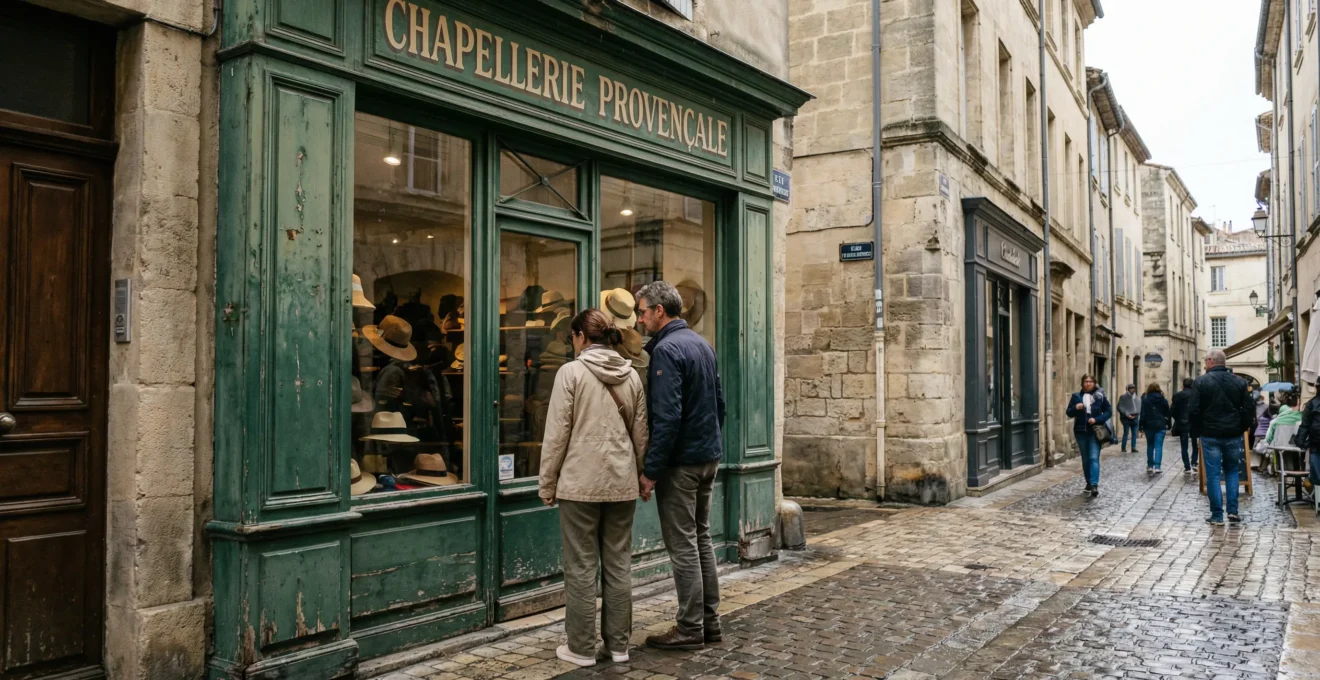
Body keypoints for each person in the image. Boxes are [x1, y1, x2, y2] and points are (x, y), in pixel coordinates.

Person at [538, 309, 649, 668]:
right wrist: (644, 476)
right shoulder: (631, 376)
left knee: (581, 566)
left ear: (581, 337)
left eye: (573, 337)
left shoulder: (570, 373)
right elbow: (641, 434)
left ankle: (582, 648)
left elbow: (557, 434)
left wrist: (547, 482)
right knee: (619, 563)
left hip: (579, 484)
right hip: (621, 482)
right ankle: (618, 646)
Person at [635, 281, 726, 650]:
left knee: (685, 545)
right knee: (701, 538)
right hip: (707, 456)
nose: (639, 318)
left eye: (642, 311)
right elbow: (719, 404)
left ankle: (690, 628)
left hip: (682, 463)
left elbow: (667, 417)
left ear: (660, 311)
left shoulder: (668, 351)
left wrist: (651, 470)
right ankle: (709, 622)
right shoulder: (701, 343)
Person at [1188, 349, 1256, 526]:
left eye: (1205, 361)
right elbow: (1249, 409)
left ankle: (1217, 515)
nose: (1204, 364)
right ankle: (1232, 511)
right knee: (1232, 471)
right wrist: (1241, 427)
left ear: (1211, 361)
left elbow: (1193, 410)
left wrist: (1198, 430)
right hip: (1233, 433)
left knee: (1213, 475)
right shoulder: (1239, 382)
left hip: (1210, 434)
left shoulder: (1201, 382)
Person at [1065, 375, 1111, 497]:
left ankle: (1095, 485)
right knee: (1085, 459)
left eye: (1090, 381)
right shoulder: (1076, 396)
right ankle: (1089, 482)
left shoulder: (1100, 396)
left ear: (1094, 383)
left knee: (1093, 458)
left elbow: (1109, 411)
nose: (1088, 383)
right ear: (1082, 383)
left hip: (1095, 431)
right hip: (1080, 432)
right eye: (1086, 381)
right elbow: (1069, 413)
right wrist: (1075, 407)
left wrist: (1097, 419)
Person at [1140, 383, 1171, 474]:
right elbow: (1168, 413)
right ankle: (1157, 466)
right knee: (1158, 446)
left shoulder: (1145, 400)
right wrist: (1169, 425)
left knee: (1150, 445)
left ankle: (1150, 465)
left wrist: (1141, 426)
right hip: (1161, 425)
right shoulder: (1163, 400)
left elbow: (1143, 414)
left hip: (1148, 425)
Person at [1171, 378, 1197, 474]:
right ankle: (1194, 462)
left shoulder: (1177, 395)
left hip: (1182, 422)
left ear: (1183, 385)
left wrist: (1178, 418)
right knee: (1195, 444)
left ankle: (1187, 466)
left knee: (1184, 446)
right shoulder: (1196, 394)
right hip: (1194, 422)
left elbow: (1173, 410)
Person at [1117, 384, 1141, 452]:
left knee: (1134, 433)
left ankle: (1133, 447)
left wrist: (1137, 415)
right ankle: (1123, 447)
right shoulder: (1123, 397)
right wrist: (1127, 414)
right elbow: (1120, 407)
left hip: (1135, 417)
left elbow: (1139, 407)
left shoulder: (1137, 398)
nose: (1132, 389)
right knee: (1126, 433)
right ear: (1128, 389)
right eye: (1131, 388)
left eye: (1133, 388)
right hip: (1126, 418)